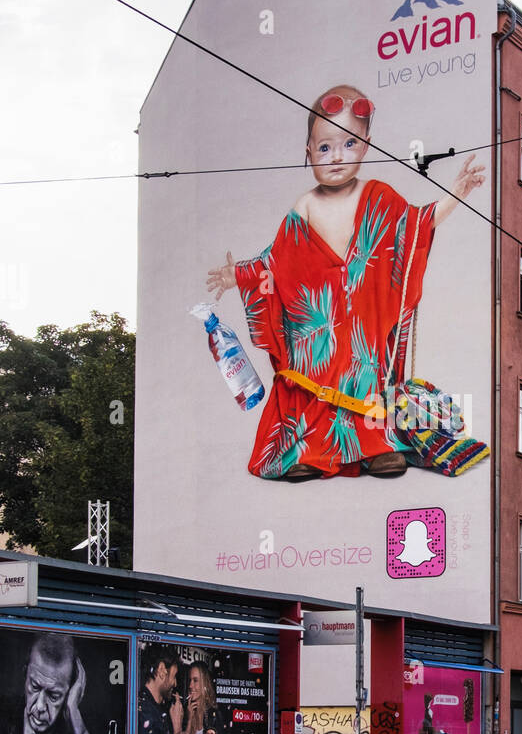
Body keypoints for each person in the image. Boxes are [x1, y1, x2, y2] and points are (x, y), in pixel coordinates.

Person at [207, 84, 485, 481]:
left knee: (365, 381)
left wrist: (456, 193)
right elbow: (275, 261)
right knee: (308, 388)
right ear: (308, 152)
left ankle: (375, 447)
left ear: (367, 145)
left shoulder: (378, 196)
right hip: (313, 335)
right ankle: (306, 452)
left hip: (361, 332)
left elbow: (415, 226)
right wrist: (237, 275)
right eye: (324, 148)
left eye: (349, 144)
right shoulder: (303, 207)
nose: (336, 156)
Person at [5, 634, 91, 734]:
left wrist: (73, 712)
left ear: (69, 694)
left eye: (54, 696)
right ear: (25, 675)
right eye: (34, 687)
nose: (40, 707)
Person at [137, 645, 185, 734]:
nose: (175, 683)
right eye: (174, 676)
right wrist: (177, 729)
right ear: (162, 670)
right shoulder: (148, 713)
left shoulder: (155, 708)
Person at [182, 659, 217, 734]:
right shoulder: (184, 711)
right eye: (189, 680)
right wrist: (189, 720)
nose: (190, 685)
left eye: (195, 680)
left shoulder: (213, 714)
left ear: (205, 683)